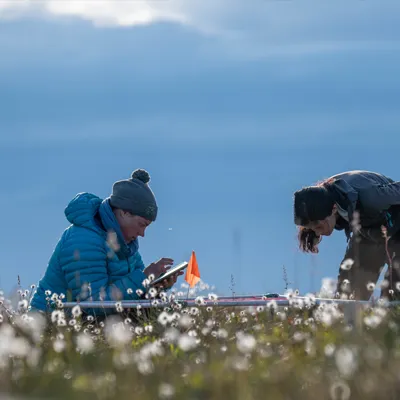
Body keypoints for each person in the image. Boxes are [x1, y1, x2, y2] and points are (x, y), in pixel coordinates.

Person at [30, 168, 183, 315]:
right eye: (142, 225)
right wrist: (145, 277)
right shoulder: (84, 240)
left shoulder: (125, 244)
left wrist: (157, 287)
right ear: (124, 213)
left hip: (90, 325)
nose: (142, 234)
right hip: (52, 326)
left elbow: (132, 296)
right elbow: (93, 305)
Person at [293, 170, 400, 301]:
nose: (317, 232)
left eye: (318, 226)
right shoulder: (325, 197)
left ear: (333, 209)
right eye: (311, 229)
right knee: (348, 290)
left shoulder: (371, 197)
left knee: (393, 292)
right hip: (370, 230)